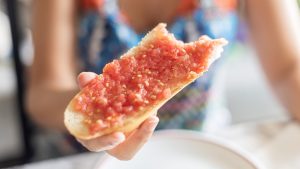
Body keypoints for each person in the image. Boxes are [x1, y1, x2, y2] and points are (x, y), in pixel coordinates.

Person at [26, 0, 300, 160]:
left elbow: (289, 69)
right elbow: (42, 94)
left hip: (204, 150)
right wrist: (96, 116)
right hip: (86, 156)